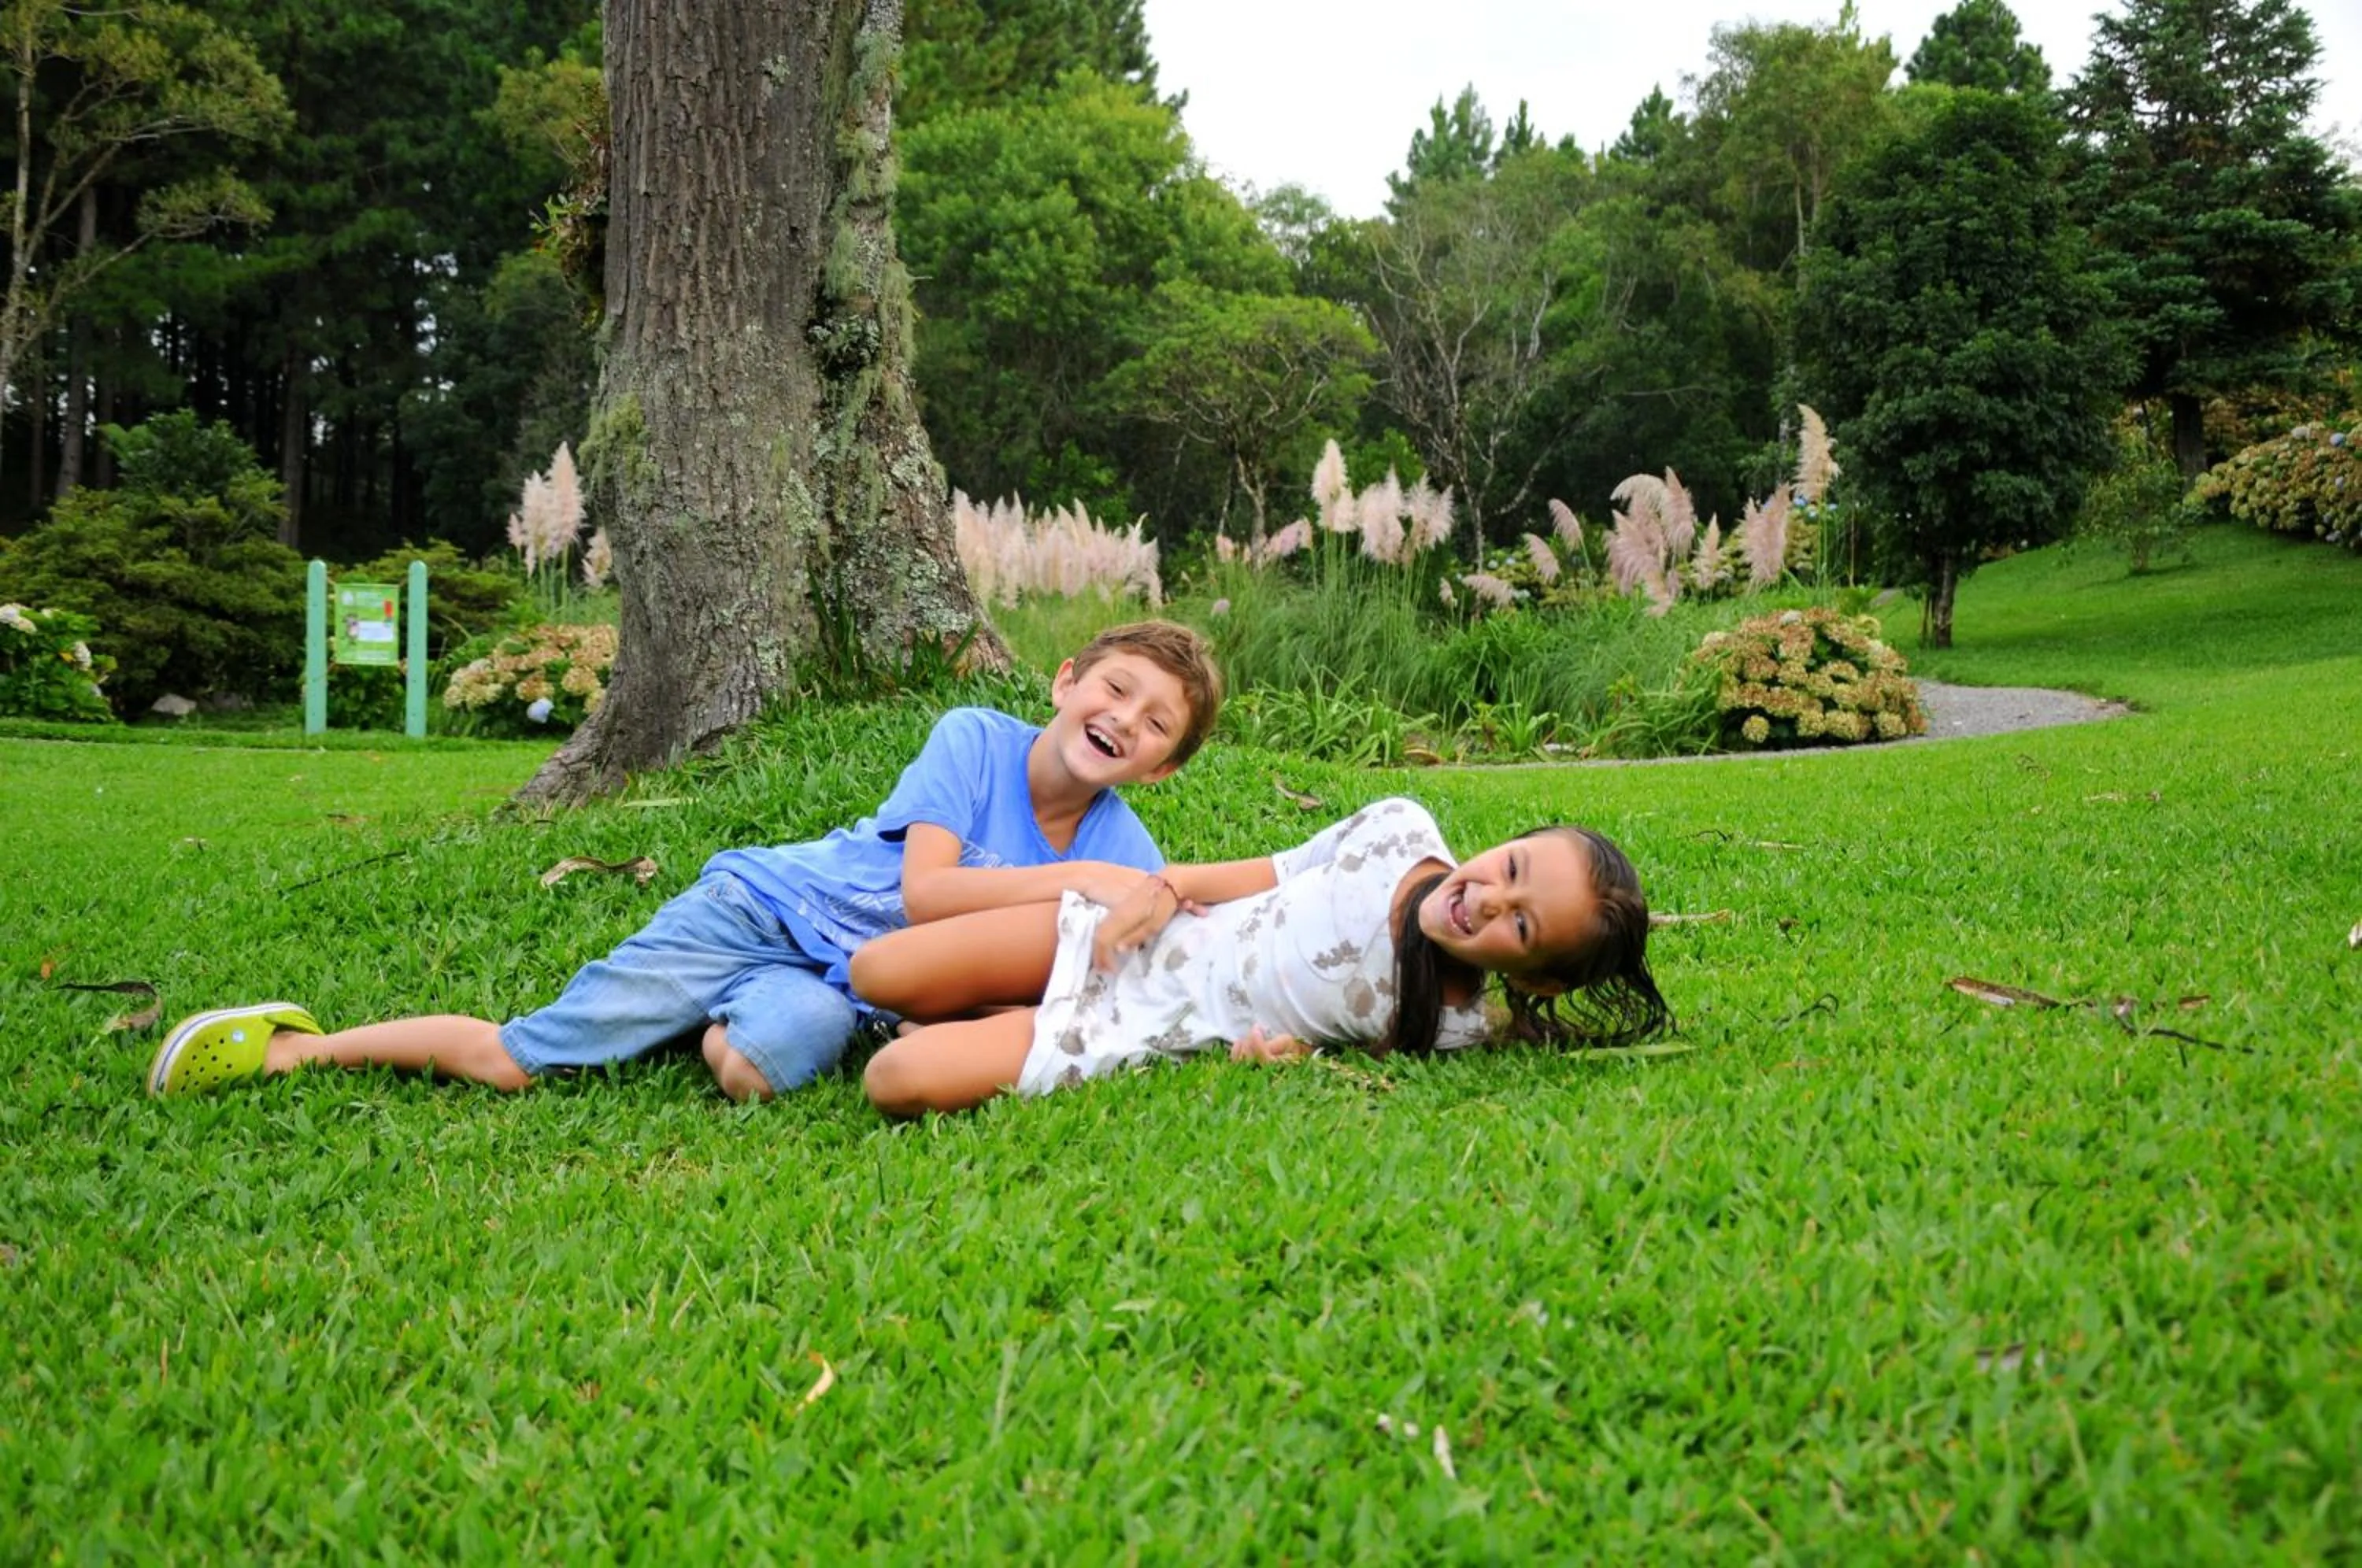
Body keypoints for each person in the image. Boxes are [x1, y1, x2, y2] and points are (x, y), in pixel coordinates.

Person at [146, 621, 1224, 1104]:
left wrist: (1256, 1036)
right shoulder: (974, 740)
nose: (1124, 718)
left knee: (762, 1068)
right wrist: (1070, 882)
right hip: (762, 913)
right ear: (1067, 679)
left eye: (1156, 722)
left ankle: (715, 1022)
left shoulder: (1129, 847)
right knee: (526, 1062)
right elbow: (928, 895)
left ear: (1164, 767)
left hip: (835, 986)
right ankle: (300, 1049)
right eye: (1116, 688)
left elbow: (1155, 969)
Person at [853, 794, 1669, 1116]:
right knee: (876, 973)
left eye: (1520, 927)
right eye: (1513, 869)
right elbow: (1276, 869)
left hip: (1137, 1023)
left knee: (894, 1081)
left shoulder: (1443, 1019)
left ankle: (1012, 1020)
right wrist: (1167, 885)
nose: (1490, 898)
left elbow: (1317, 1043)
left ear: (1532, 975)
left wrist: (1282, 1055)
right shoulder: (1399, 829)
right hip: (1140, 937)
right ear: (1510, 841)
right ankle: (996, 1004)